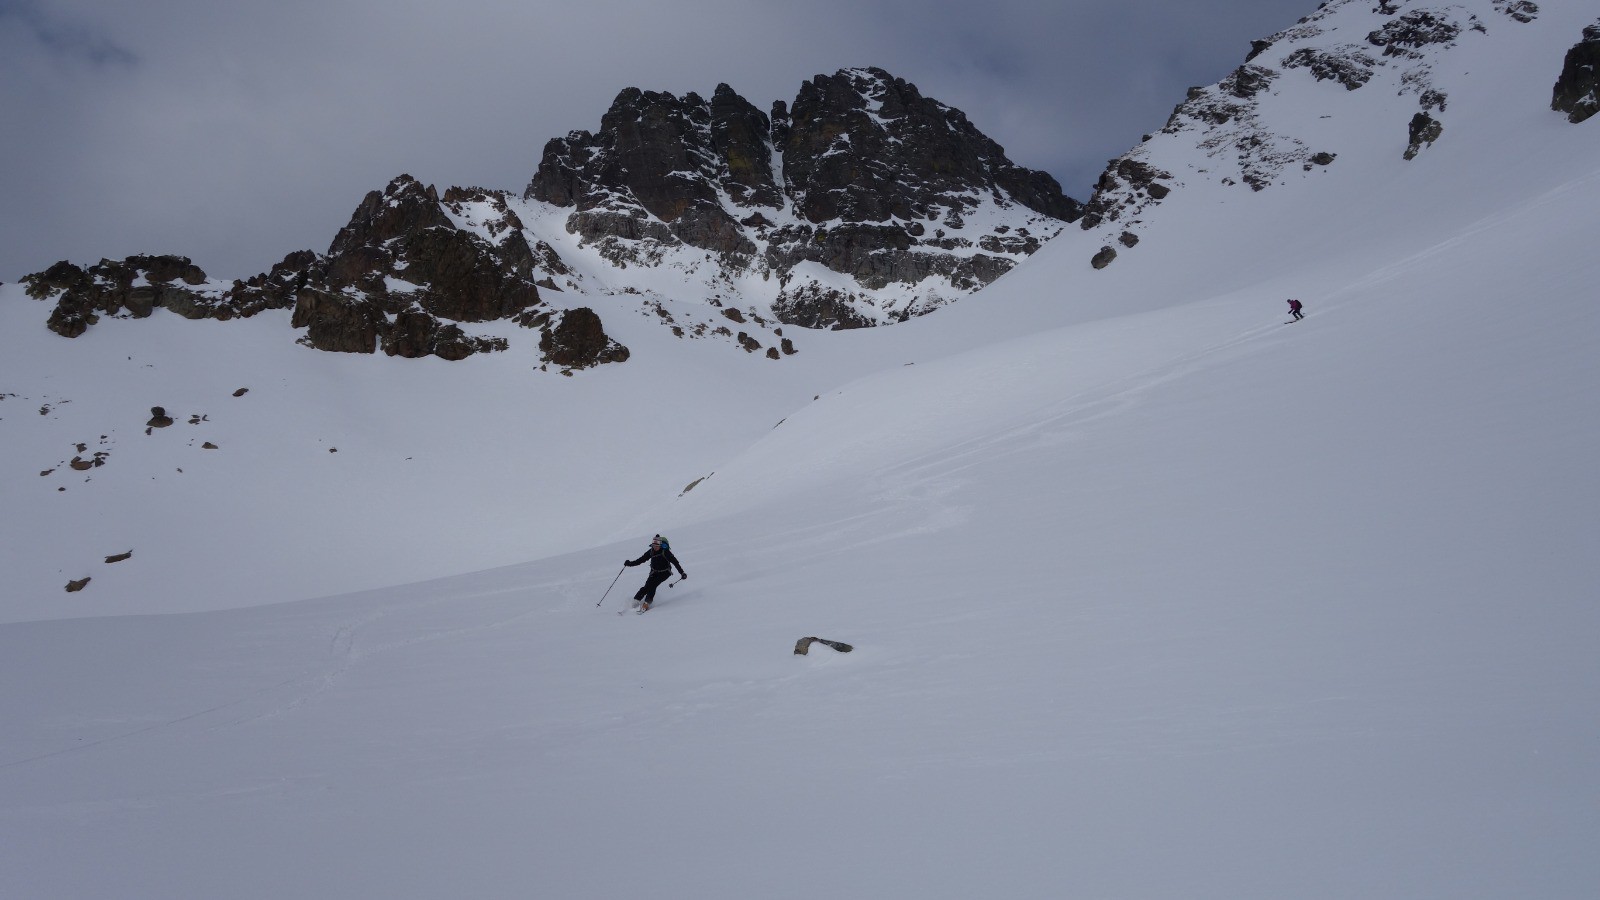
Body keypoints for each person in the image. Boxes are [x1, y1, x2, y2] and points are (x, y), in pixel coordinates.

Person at [624, 534, 687, 611]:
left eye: (657, 545)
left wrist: (682, 573)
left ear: (660, 545)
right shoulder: (651, 551)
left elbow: (675, 562)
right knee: (647, 586)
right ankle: (635, 601)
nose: (655, 547)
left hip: (665, 573)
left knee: (653, 585)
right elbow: (641, 560)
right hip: (654, 572)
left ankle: (647, 603)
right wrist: (630, 564)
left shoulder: (666, 552)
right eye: (654, 545)